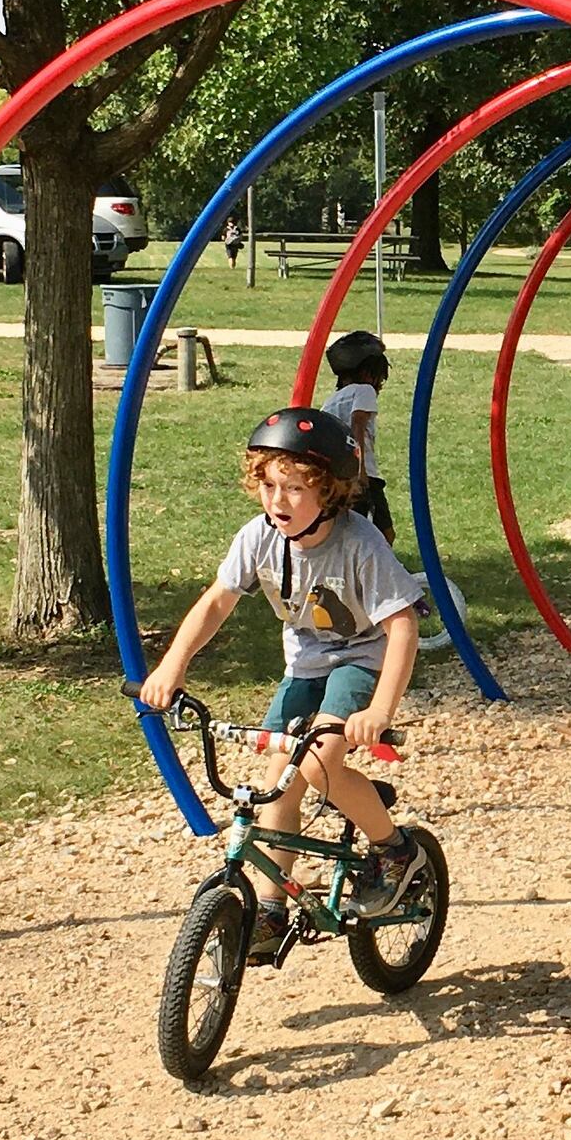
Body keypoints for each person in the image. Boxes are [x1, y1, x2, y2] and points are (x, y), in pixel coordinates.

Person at [139, 406, 425, 957]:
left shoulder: (359, 543)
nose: (278, 500)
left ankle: (394, 848)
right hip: (305, 666)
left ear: (330, 492)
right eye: (269, 485)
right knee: (278, 783)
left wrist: (380, 710)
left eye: (295, 488)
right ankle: (270, 907)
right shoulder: (258, 537)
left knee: (318, 764)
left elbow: (403, 624)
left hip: (362, 659)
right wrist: (172, 665)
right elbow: (216, 603)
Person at [322, 328, 395, 543]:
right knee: (385, 533)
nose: (380, 385)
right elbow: (358, 425)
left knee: (347, 528)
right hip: (364, 476)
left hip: (337, 474)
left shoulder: (331, 400)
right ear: (367, 374)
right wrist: (360, 470)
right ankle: (377, 573)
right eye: (380, 378)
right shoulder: (364, 391)